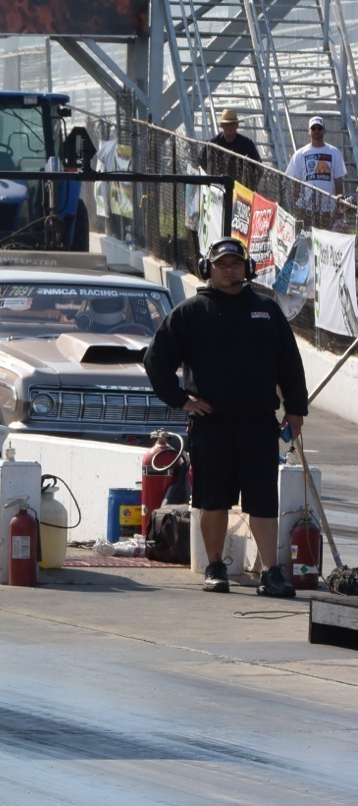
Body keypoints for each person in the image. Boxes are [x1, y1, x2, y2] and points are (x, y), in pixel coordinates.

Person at [143, 237, 308, 597]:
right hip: (212, 425)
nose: (230, 270)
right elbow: (155, 361)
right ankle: (215, 567)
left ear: (247, 269)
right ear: (208, 269)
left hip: (259, 424)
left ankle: (270, 572)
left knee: (264, 501)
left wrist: (295, 409)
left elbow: (290, 364)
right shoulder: (190, 312)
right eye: (222, 265)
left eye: (236, 264)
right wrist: (181, 400)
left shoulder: (267, 310)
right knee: (213, 499)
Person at [285, 116, 347, 216]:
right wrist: (294, 204)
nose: (316, 131)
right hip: (306, 207)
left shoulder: (334, 152)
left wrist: (338, 206)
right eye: (313, 128)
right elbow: (293, 181)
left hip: (328, 208)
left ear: (324, 131)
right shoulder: (300, 154)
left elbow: (338, 180)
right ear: (309, 131)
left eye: (319, 128)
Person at [197, 108, 261, 189]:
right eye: (227, 124)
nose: (229, 127)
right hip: (218, 190)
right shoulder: (212, 144)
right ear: (222, 126)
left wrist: (249, 186)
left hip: (240, 191)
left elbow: (258, 168)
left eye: (232, 124)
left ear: (237, 125)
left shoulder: (247, 144)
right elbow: (200, 162)